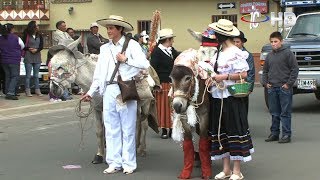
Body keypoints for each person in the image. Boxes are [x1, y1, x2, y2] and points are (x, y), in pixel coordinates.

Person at [81, 15, 150, 174]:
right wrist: (91, 92)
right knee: (111, 128)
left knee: (128, 128)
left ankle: (129, 163)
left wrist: (126, 60)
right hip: (108, 89)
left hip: (125, 87)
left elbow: (144, 64)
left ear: (120, 29)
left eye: (111, 28)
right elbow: (99, 73)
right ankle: (114, 162)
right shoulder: (104, 48)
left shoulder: (131, 45)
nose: (109, 31)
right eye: (108, 28)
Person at [208, 19, 254, 180]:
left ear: (221, 35)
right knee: (222, 132)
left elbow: (244, 74)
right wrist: (210, 77)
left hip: (231, 97)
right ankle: (226, 169)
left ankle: (237, 170)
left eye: (216, 33)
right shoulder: (218, 52)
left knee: (234, 131)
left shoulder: (236, 52)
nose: (214, 36)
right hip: (217, 95)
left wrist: (225, 76)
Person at [263, 31, 298, 144]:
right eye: (272, 42)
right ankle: (274, 133)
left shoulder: (288, 54)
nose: (273, 44)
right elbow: (265, 71)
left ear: (281, 41)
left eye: (276, 41)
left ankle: (286, 134)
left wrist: (288, 84)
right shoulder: (269, 55)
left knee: (285, 112)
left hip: (284, 88)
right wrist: (265, 83)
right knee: (274, 112)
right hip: (272, 88)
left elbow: (294, 69)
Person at [150, 28, 179, 139]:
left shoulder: (172, 51)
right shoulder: (157, 52)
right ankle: (163, 129)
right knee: (163, 107)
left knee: (172, 107)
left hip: (173, 82)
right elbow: (153, 69)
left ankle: (172, 128)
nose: (173, 41)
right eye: (171, 39)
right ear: (167, 39)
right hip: (163, 83)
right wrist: (157, 83)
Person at [0, 23, 25, 100]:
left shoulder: (0, 38)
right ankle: (11, 93)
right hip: (14, 59)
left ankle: (8, 92)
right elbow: (22, 46)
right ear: (12, 29)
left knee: (8, 76)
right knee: (15, 76)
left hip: (4, 60)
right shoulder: (16, 38)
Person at [233, 31, 255, 113]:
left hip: (243, 84)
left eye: (237, 42)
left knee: (243, 107)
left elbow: (251, 72)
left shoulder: (247, 55)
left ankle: (244, 125)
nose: (235, 44)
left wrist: (249, 87)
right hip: (231, 84)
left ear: (242, 43)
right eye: (234, 42)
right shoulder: (230, 54)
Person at [22, 20, 44, 97]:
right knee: (28, 75)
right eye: (37, 25)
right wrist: (29, 49)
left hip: (37, 56)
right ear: (33, 27)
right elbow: (23, 46)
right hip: (28, 56)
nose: (38, 27)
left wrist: (37, 50)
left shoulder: (39, 35)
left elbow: (41, 46)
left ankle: (37, 90)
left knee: (36, 75)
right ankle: (27, 90)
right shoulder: (26, 35)